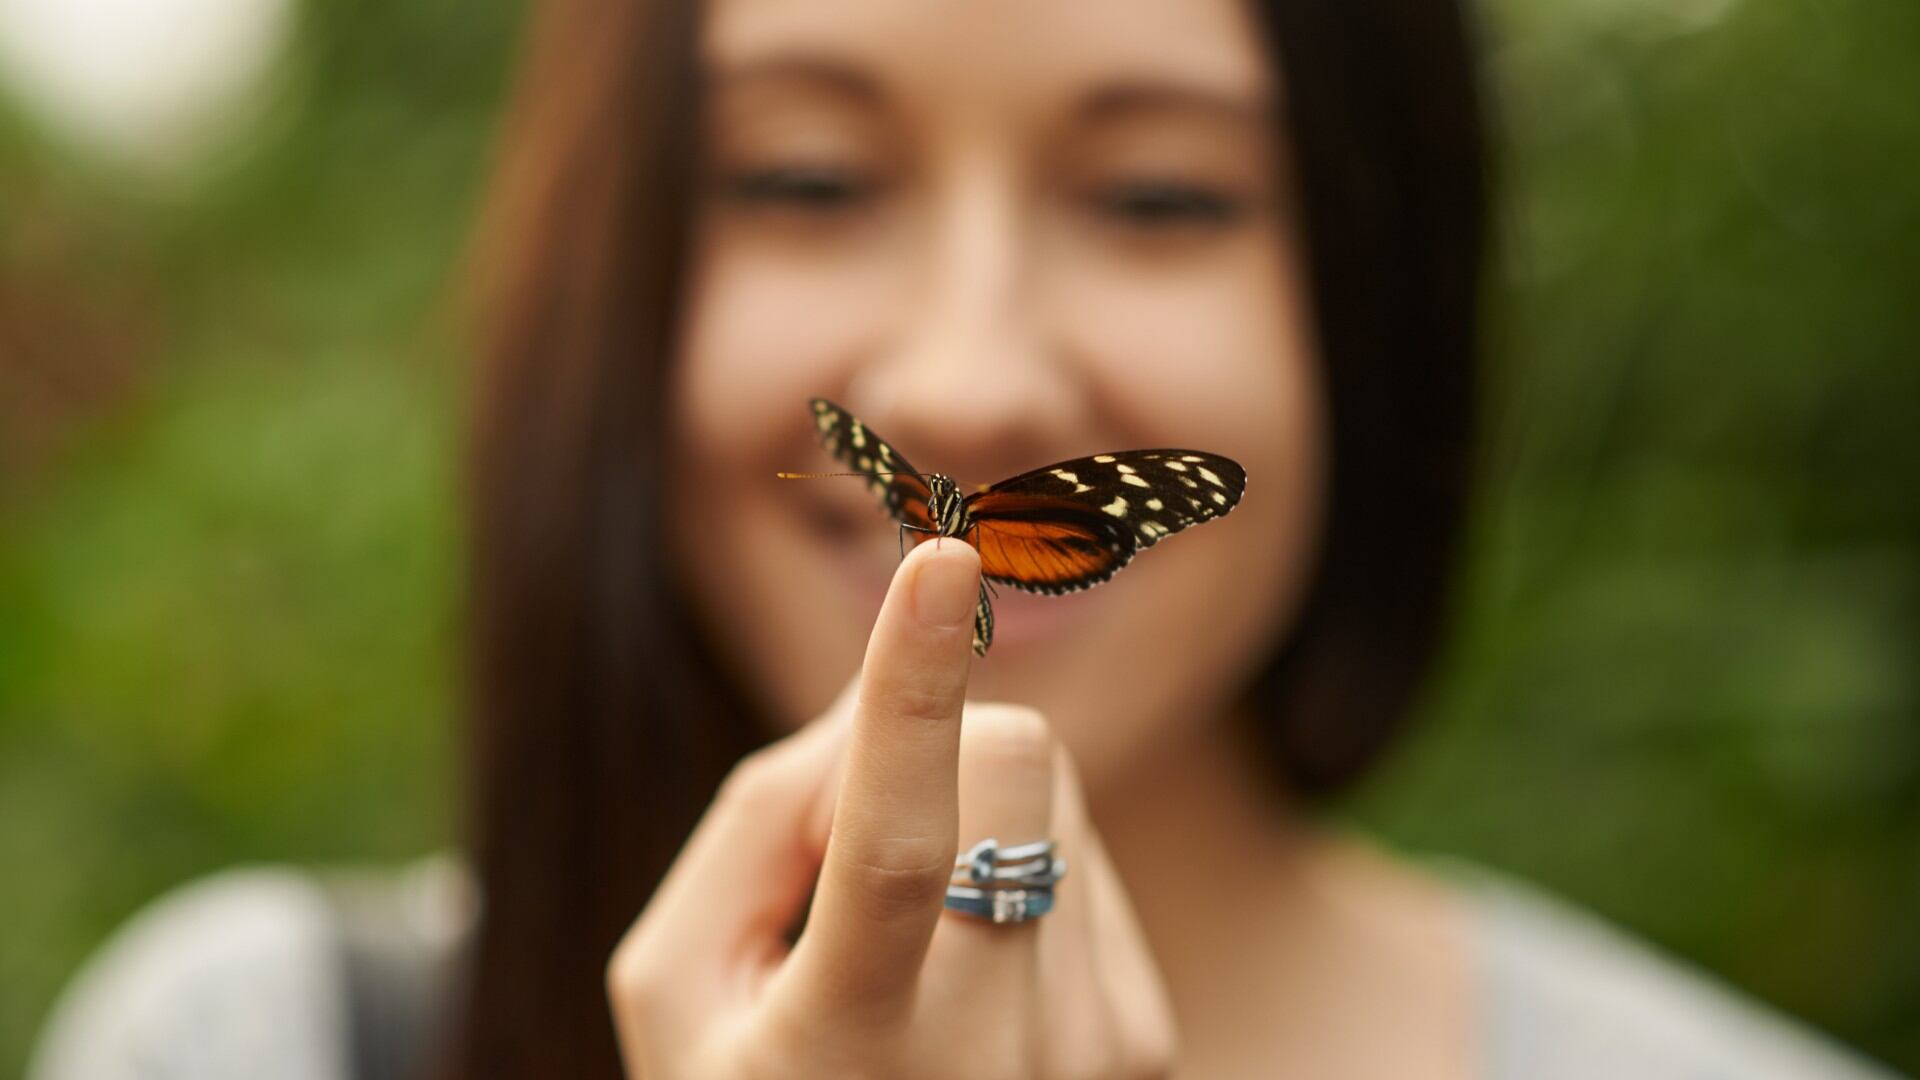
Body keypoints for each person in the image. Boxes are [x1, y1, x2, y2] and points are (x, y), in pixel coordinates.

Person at [28, 1, 1905, 1078]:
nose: (972, 372)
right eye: (809, 178)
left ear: (1369, 291)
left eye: (1161, 194)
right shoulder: (259, 1043)